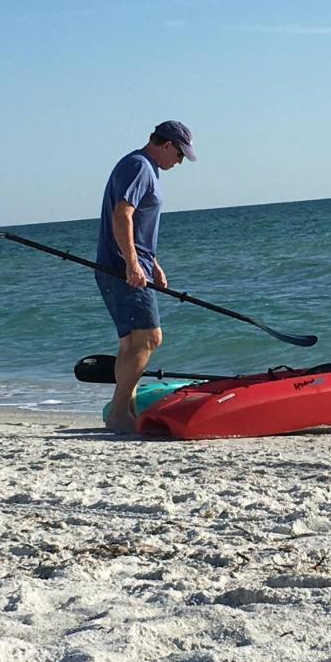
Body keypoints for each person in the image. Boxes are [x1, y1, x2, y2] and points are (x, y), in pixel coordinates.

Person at [96, 121, 196, 433]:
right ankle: (119, 415)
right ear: (166, 144)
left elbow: (137, 225)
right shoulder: (140, 166)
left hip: (123, 265)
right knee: (149, 338)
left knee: (131, 342)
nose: (178, 162)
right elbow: (122, 214)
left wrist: (152, 263)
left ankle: (123, 410)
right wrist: (132, 264)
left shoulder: (138, 165)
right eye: (179, 155)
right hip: (121, 268)